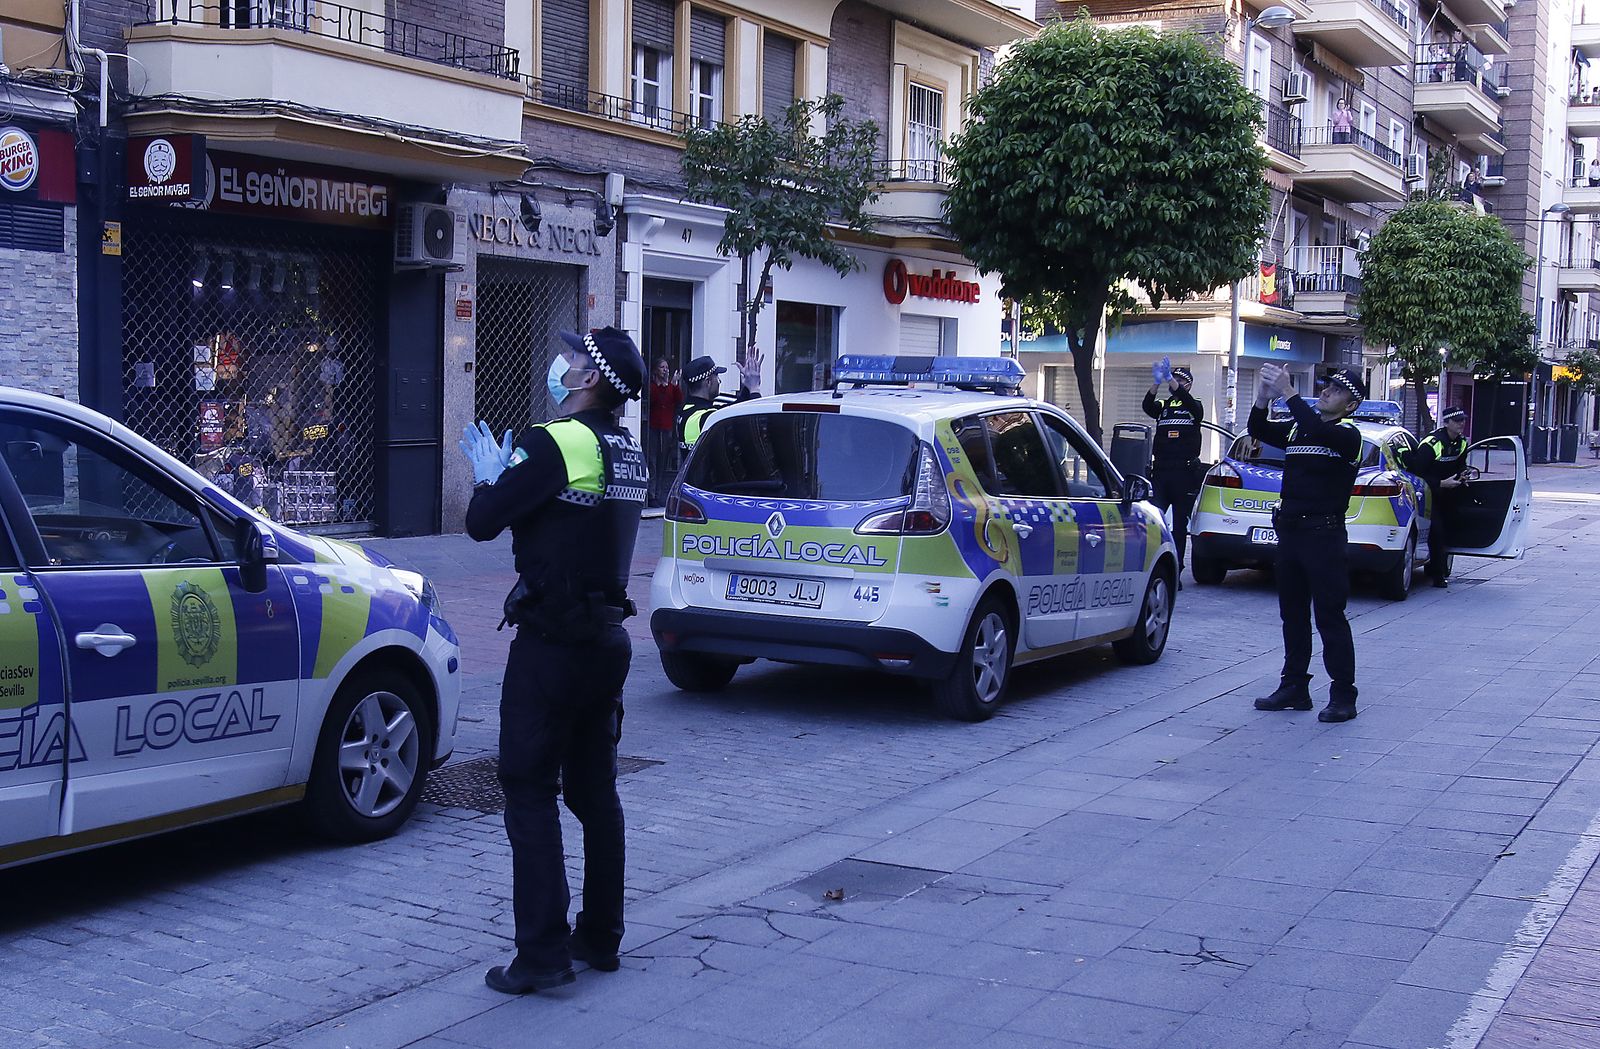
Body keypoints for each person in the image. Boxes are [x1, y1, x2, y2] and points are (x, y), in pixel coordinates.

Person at [459, 326, 649, 995]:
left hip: (552, 644)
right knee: (595, 791)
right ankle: (600, 935)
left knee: (529, 789)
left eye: (573, 358)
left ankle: (541, 953)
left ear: (590, 378)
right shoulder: (627, 450)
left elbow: (482, 521)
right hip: (607, 641)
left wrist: (491, 477)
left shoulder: (557, 441)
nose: (562, 364)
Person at [1248, 364, 1366, 723]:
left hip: (1323, 536)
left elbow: (1317, 428)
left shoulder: (1348, 435)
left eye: (1336, 389)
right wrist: (1264, 397)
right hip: (1291, 533)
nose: (1327, 391)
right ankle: (1294, 686)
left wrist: (1289, 392)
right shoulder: (1300, 427)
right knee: (1292, 614)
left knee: (1329, 616)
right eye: (1326, 385)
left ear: (1351, 404)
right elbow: (1258, 429)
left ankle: (1343, 695)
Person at [1141, 358, 1204, 584]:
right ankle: (1154, 569)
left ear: (1187, 385)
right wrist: (1156, 384)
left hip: (1184, 474)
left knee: (1179, 526)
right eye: (1172, 378)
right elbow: (1148, 406)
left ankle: (1175, 573)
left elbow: (1190, 404)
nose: (1174, 382)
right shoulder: (1164, 408)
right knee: (1155, 520)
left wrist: (1170, 380)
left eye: (1179, 380)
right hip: (1161, 472)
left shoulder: (1194, 406)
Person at [1407, 405, 1470, 588]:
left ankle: (1439, 567)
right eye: (1457, 421)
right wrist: (1441, 483)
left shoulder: (1461, 442)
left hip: (1449, 495)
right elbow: (1416, 472)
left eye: (1463, 420)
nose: (1461, 424)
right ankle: (1437, 574)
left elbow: (1460, 465)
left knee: (1448, 532)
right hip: (1428, 495)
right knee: (1437, 532)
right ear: (1447, 423)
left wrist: (1462, 475)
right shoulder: (1432, 444)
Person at [675, 349, 763, 456]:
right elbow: (755, 429)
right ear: (708, 382)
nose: (719, 382)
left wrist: (748, 387)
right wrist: (755, 388)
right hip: (710, 473)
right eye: (717, 377)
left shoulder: (686, 411)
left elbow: (734, 408)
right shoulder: (707, 418)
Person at [646, 357, 682, 504]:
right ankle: (651, 493)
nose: (666, 370)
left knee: (662, 462)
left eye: (667, 367)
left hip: (667, 428)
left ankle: (659, 493)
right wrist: (665, 385)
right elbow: (653, 399)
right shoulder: (652, 387)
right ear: (656, 370)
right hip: (653, 427)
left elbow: (678, 400)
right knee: (653, 461)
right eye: (662, 367)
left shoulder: (671, 387)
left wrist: (673, 384)